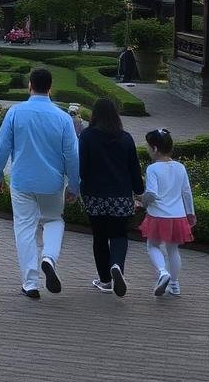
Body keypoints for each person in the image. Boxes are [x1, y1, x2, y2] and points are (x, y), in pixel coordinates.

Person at [0, 67, 81, 299]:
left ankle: (30, 283)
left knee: (24, 228)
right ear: (51, 88)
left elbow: (2, 147)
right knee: (54, 221)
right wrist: (74, 185)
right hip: (52, 182)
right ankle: (49, 257)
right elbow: (72, 155)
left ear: (29, 85)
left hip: (22, 180)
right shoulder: (63, 118)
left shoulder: (15, 112)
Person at [78, 97, 144, 297]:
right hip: (120, 195)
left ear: (95, 115)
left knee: (99, 237)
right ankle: (117, 266)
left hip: (94, 195)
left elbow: (82, 166)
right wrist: (139, 191)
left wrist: (78, 187)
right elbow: (134, 168)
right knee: (118, 235)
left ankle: (105, 280)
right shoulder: (125, 138)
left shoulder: (87, 136)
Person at [139, 128, 195, 297]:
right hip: (177, 216)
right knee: (173, 250)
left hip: (158, 214)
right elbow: (186, 192)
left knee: (153, 246)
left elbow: (152, 193)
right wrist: (190, 213)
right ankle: (175, 284)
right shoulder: (180, 167)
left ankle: (163, 272)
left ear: (155, 148)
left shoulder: (153, 169)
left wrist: (142, 200)